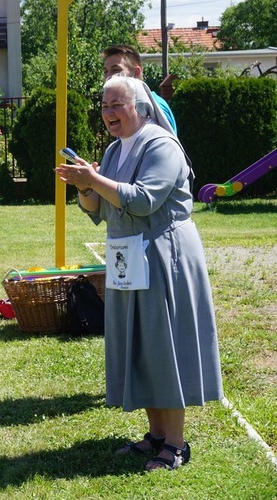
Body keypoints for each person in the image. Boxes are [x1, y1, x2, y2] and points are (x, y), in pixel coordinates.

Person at [55, 76, 223, 471]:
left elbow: (145, 201)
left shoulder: (162, 146)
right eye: (104, 106)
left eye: (117, 104)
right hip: (127, 256)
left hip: (165, 256)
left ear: (141, 108)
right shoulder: (114, 150)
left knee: (165, 345)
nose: (108, 113)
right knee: (139, 344)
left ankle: (177, 445)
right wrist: (84, 186)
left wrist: (94, 179)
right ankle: (157, 436)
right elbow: (99, 209)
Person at [102, 44, 177, 135]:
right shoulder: (126, 106)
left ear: (136, 72)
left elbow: (166, 146)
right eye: (105, 71)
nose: (108, 77)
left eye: (116, 70)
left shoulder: (154, 106)